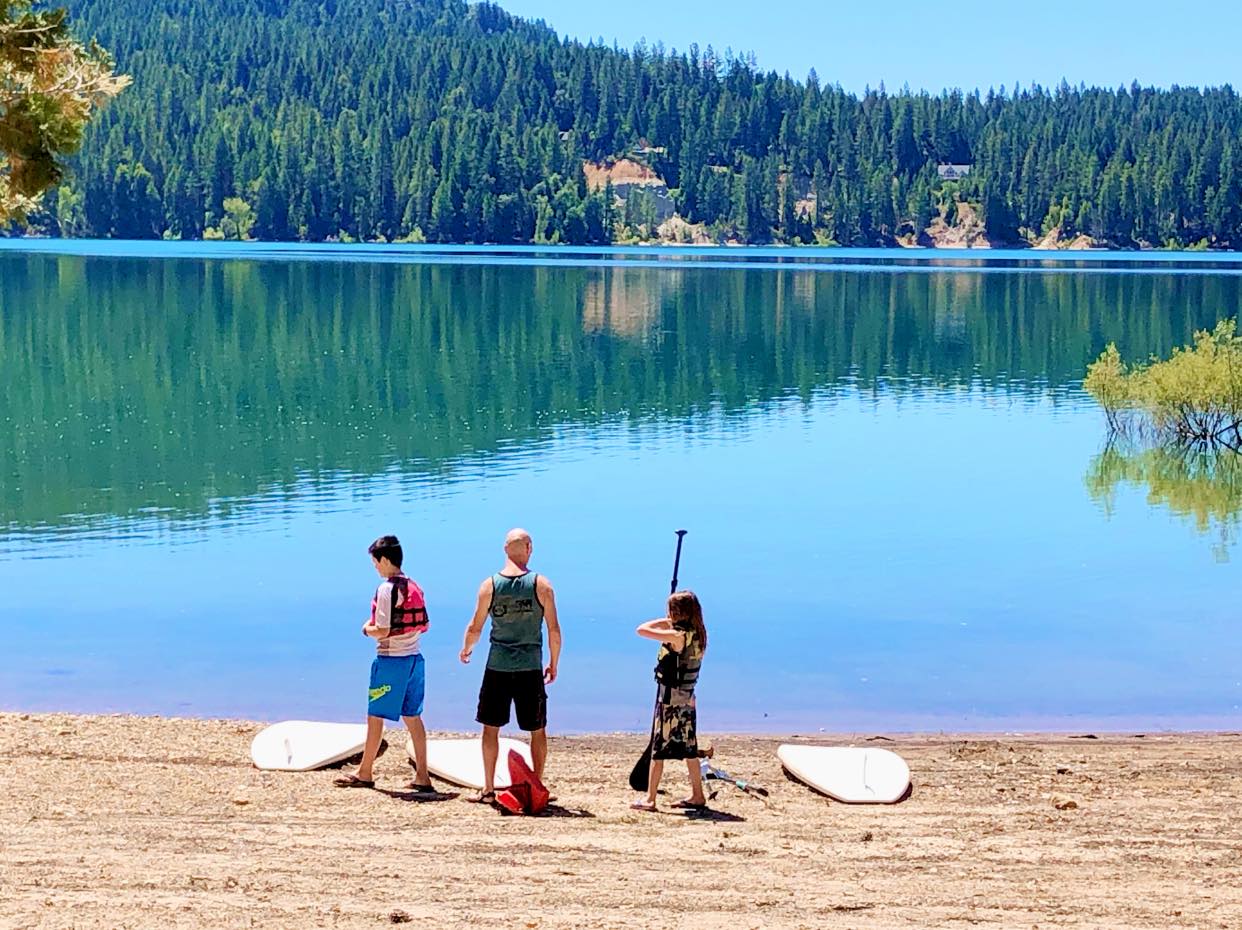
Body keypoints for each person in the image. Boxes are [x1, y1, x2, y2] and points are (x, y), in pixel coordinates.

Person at [459, 528, 562, 804]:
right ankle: (537, 786)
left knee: (490, 728)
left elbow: (475, 626)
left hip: (498, 666)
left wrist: (467, 649)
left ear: (505, 549)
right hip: (530, 666)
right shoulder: (542, 585)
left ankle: (488, 787)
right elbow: (553, 630)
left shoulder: (489, 585)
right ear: (529, 548)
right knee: (537, 729)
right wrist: (554, 662)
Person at [334, 535, 432, 791]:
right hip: (415, 660)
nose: (375, 567)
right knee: (413, 717)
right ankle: (422, 776)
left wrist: (366, 629)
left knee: (375, 715)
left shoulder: (387, 589)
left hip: (391, 662)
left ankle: (365, 772)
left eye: (376, 562)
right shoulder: (414, 586)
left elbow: (383, 630)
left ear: (386, 560)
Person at [631, 591, 708, 812]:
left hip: (671, 700)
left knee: (658, 750)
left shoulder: (677, 636)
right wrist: (671, 621)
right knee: (689, 749)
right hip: (687, 698)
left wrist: (666, 622)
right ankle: (697, 795)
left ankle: (650, 798)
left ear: (676, 613)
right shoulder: (698, 634)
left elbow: (641, 629)